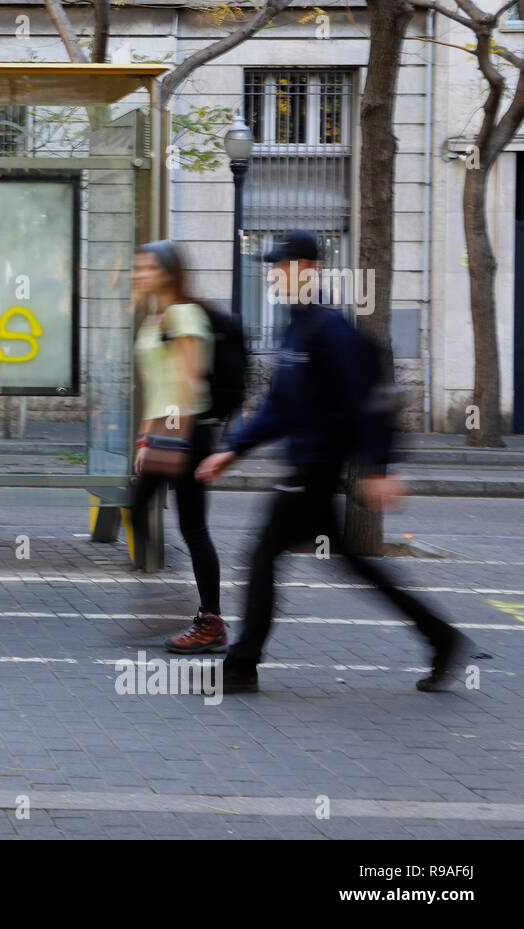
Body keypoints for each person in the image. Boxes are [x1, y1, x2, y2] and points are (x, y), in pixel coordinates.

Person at [196, 230, 475, 693]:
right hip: (308, 469)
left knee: (262, 557)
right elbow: (280, 408)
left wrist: (381, 468)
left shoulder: (331, 331)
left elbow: (373, 399)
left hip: (315, 471)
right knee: (351, 563)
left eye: (280, 266)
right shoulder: (297, 329)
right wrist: (234, 448)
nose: (272, 274)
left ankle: (242, 667)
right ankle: (441, 637)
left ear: (308, 269)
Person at [129, 241, 226, 653]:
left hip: (187, 434)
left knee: (193, 528)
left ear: (168, 272)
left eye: (146, 267)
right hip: (164, 434)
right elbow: (154, 385)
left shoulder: (184, 314)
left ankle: (209, 621)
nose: (138, 274)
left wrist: (167, 436)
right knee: (138, 512)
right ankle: (183, 606)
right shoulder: (155, 318)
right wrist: (144, 437)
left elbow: (190, 382)